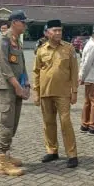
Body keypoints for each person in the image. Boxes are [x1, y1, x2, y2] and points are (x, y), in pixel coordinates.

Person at [33, 19, 79, 168]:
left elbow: (74, 71)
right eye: (55, 30)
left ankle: (72, 154)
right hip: (46, 92)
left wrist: (75, 91)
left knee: (66, 123)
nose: (58, 33)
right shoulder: (41, 50)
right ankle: (52, 151)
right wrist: (36, 92)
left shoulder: (69, 48)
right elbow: (37, 72)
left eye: (60, 30)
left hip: (63, 93)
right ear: (47, 33)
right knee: (48, 123)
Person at [0, 11, 30, 176]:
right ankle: (2, 163)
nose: (25, 25)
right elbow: (5, 66)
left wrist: (26, 83)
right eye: (23, 22)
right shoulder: (2, 40)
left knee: (13, 124)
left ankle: (6, 155)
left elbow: (21, 65)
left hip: (16, 88)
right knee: (6, 124)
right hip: (6, 88)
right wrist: (17, 86)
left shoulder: (17, 41)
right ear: (15, 22)